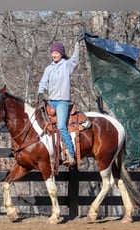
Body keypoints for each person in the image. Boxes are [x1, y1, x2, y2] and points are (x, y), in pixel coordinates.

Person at [37, 32, 85, 167]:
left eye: (56, 52)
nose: (54, 55)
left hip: (62, 102)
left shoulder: (67, 65)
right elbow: (43, 82)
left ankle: (71, 154)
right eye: (53, 52)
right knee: (43, 124)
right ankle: (49, 152)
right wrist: (40, 92)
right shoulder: (48, 69)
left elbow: (75, 59)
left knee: (61, 126)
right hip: (51, 101)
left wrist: (77, 44)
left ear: (61, 54)